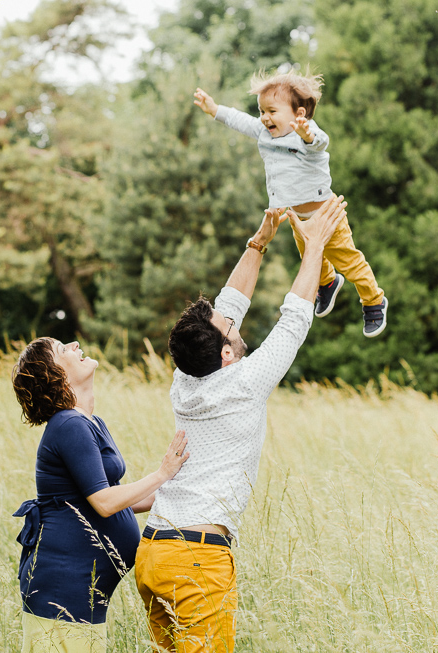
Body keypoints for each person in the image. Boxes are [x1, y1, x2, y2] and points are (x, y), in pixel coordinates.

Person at [134, 193, 348, 653]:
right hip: (197, 558)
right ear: (227, 353)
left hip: (153, 550)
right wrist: (314, 248)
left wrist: (259, 243)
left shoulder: (184, 379)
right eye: (227, 326)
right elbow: (295, 318)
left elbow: (230, 304)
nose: (233, 322)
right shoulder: (245, 383)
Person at [11, 337, 190, 653]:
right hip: (63, 592)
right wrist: (162, 473)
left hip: (82, 596)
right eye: (62, 349)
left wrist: (181, 487)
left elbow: (120, 501)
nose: (75, 344)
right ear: (55, 372)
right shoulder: (68, 424)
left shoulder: (89, 422)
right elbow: (105, 503)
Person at [193, 71, 388, 337]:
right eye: (262, 110)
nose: (264, 117)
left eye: (272, 110)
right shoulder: (265, 133)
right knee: (311, 259)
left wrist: (307, 133)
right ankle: (328, 285)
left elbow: (320, 142)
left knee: (350, 262)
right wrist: (215, 109)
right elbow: (241, 121)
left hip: (326, 216)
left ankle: (374, 300)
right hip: (298, 216)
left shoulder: (305, 134)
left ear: (299, 113)